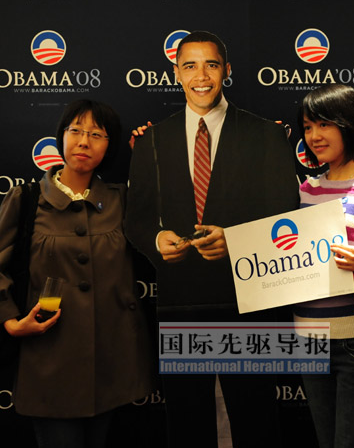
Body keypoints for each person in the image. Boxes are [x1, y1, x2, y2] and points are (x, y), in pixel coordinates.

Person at [124, 30, 300, 448]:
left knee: (257, 422)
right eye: (190, 66)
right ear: (176, 73)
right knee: (188, 426)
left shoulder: (266, 134)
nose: (201, 76)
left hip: (250, 301)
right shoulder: (151, 140)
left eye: (212, 65)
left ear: (227, 70)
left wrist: (236, 241)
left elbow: (287, 219)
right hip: (183, 303)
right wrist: (157, 239)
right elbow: (137, 219)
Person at [0, 99, 155, 448]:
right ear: (61, 136)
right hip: (48, 359)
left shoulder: (122, 201)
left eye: (97, 134)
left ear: (109, 146)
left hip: (111, 361)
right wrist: (10, 323)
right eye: (75, 130)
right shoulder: (25, 199)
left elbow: (167, 225)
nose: (84, 141)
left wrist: (151, 157)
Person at [295, 84, 354, 448]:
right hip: (308, 339)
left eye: (324, 124)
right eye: (307, 127)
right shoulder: (305, 190)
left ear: (349, 124)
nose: (314, 136)